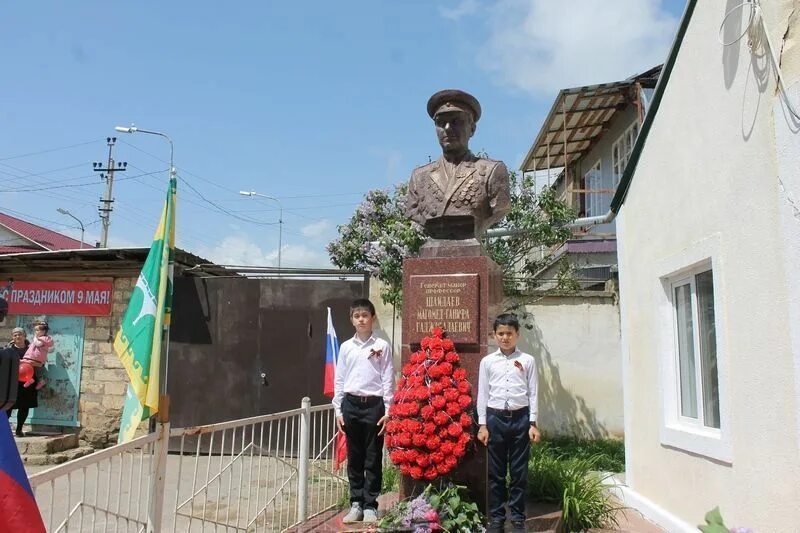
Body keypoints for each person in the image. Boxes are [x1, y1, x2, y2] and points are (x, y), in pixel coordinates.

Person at [405, 89, 511, 241]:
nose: (447, 128)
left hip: (471, 248)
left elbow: (500, 209)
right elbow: (413, 211)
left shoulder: (491, 171)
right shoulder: (419, 177)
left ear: (472, 129)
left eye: (456, 121)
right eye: (441, 123)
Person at [477, 313, 541, 533]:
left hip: (520, 419)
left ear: (517, 334)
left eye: (509, 333)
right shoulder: (487, 362)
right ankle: (496, 518)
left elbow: (533, 392)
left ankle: (518, 518)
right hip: (495, 419)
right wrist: (482, 425)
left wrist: (532, 423)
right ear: (494, 335)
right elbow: (483, 394)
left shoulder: (527, 360)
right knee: (495, 473)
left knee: (518, 472)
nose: (505, 337)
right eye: (501, 333)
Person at [332, 298, 394, 524]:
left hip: (374, 406)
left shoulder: (382, 346)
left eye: (365, 315)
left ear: (373, 317)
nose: (361, 320)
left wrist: (388, 409)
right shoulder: (346, 347)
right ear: (351, 320)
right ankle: (356, 503)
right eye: (357, 316)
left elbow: (388, 378)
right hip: (351, 406)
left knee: (373, 457)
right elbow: (340, 379)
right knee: (355, 457)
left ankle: (370, 505)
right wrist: (338, 410)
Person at [5, 327, 36, 437]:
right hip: (12, 382)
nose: (17, 336)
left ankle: (19, 429)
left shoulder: (31, 348)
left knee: (24, 405)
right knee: (8, 405)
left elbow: (40, 363)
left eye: (20, 334)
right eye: (15, 335)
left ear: (24, 336)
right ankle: (4, 429)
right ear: (12, 337)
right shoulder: (8, 350)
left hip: (28, 381)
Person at [21, 320, 53, 390]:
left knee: (25, 363)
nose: (35, 332)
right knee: (34, 369)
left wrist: (35, 337)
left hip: (35, 357)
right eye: (35, 330)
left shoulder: (43, 338)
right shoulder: (42, 338)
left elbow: (38, 344)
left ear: (43, 331)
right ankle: (34, 380)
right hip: (36, 357)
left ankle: (32, 379)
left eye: (37, 330)